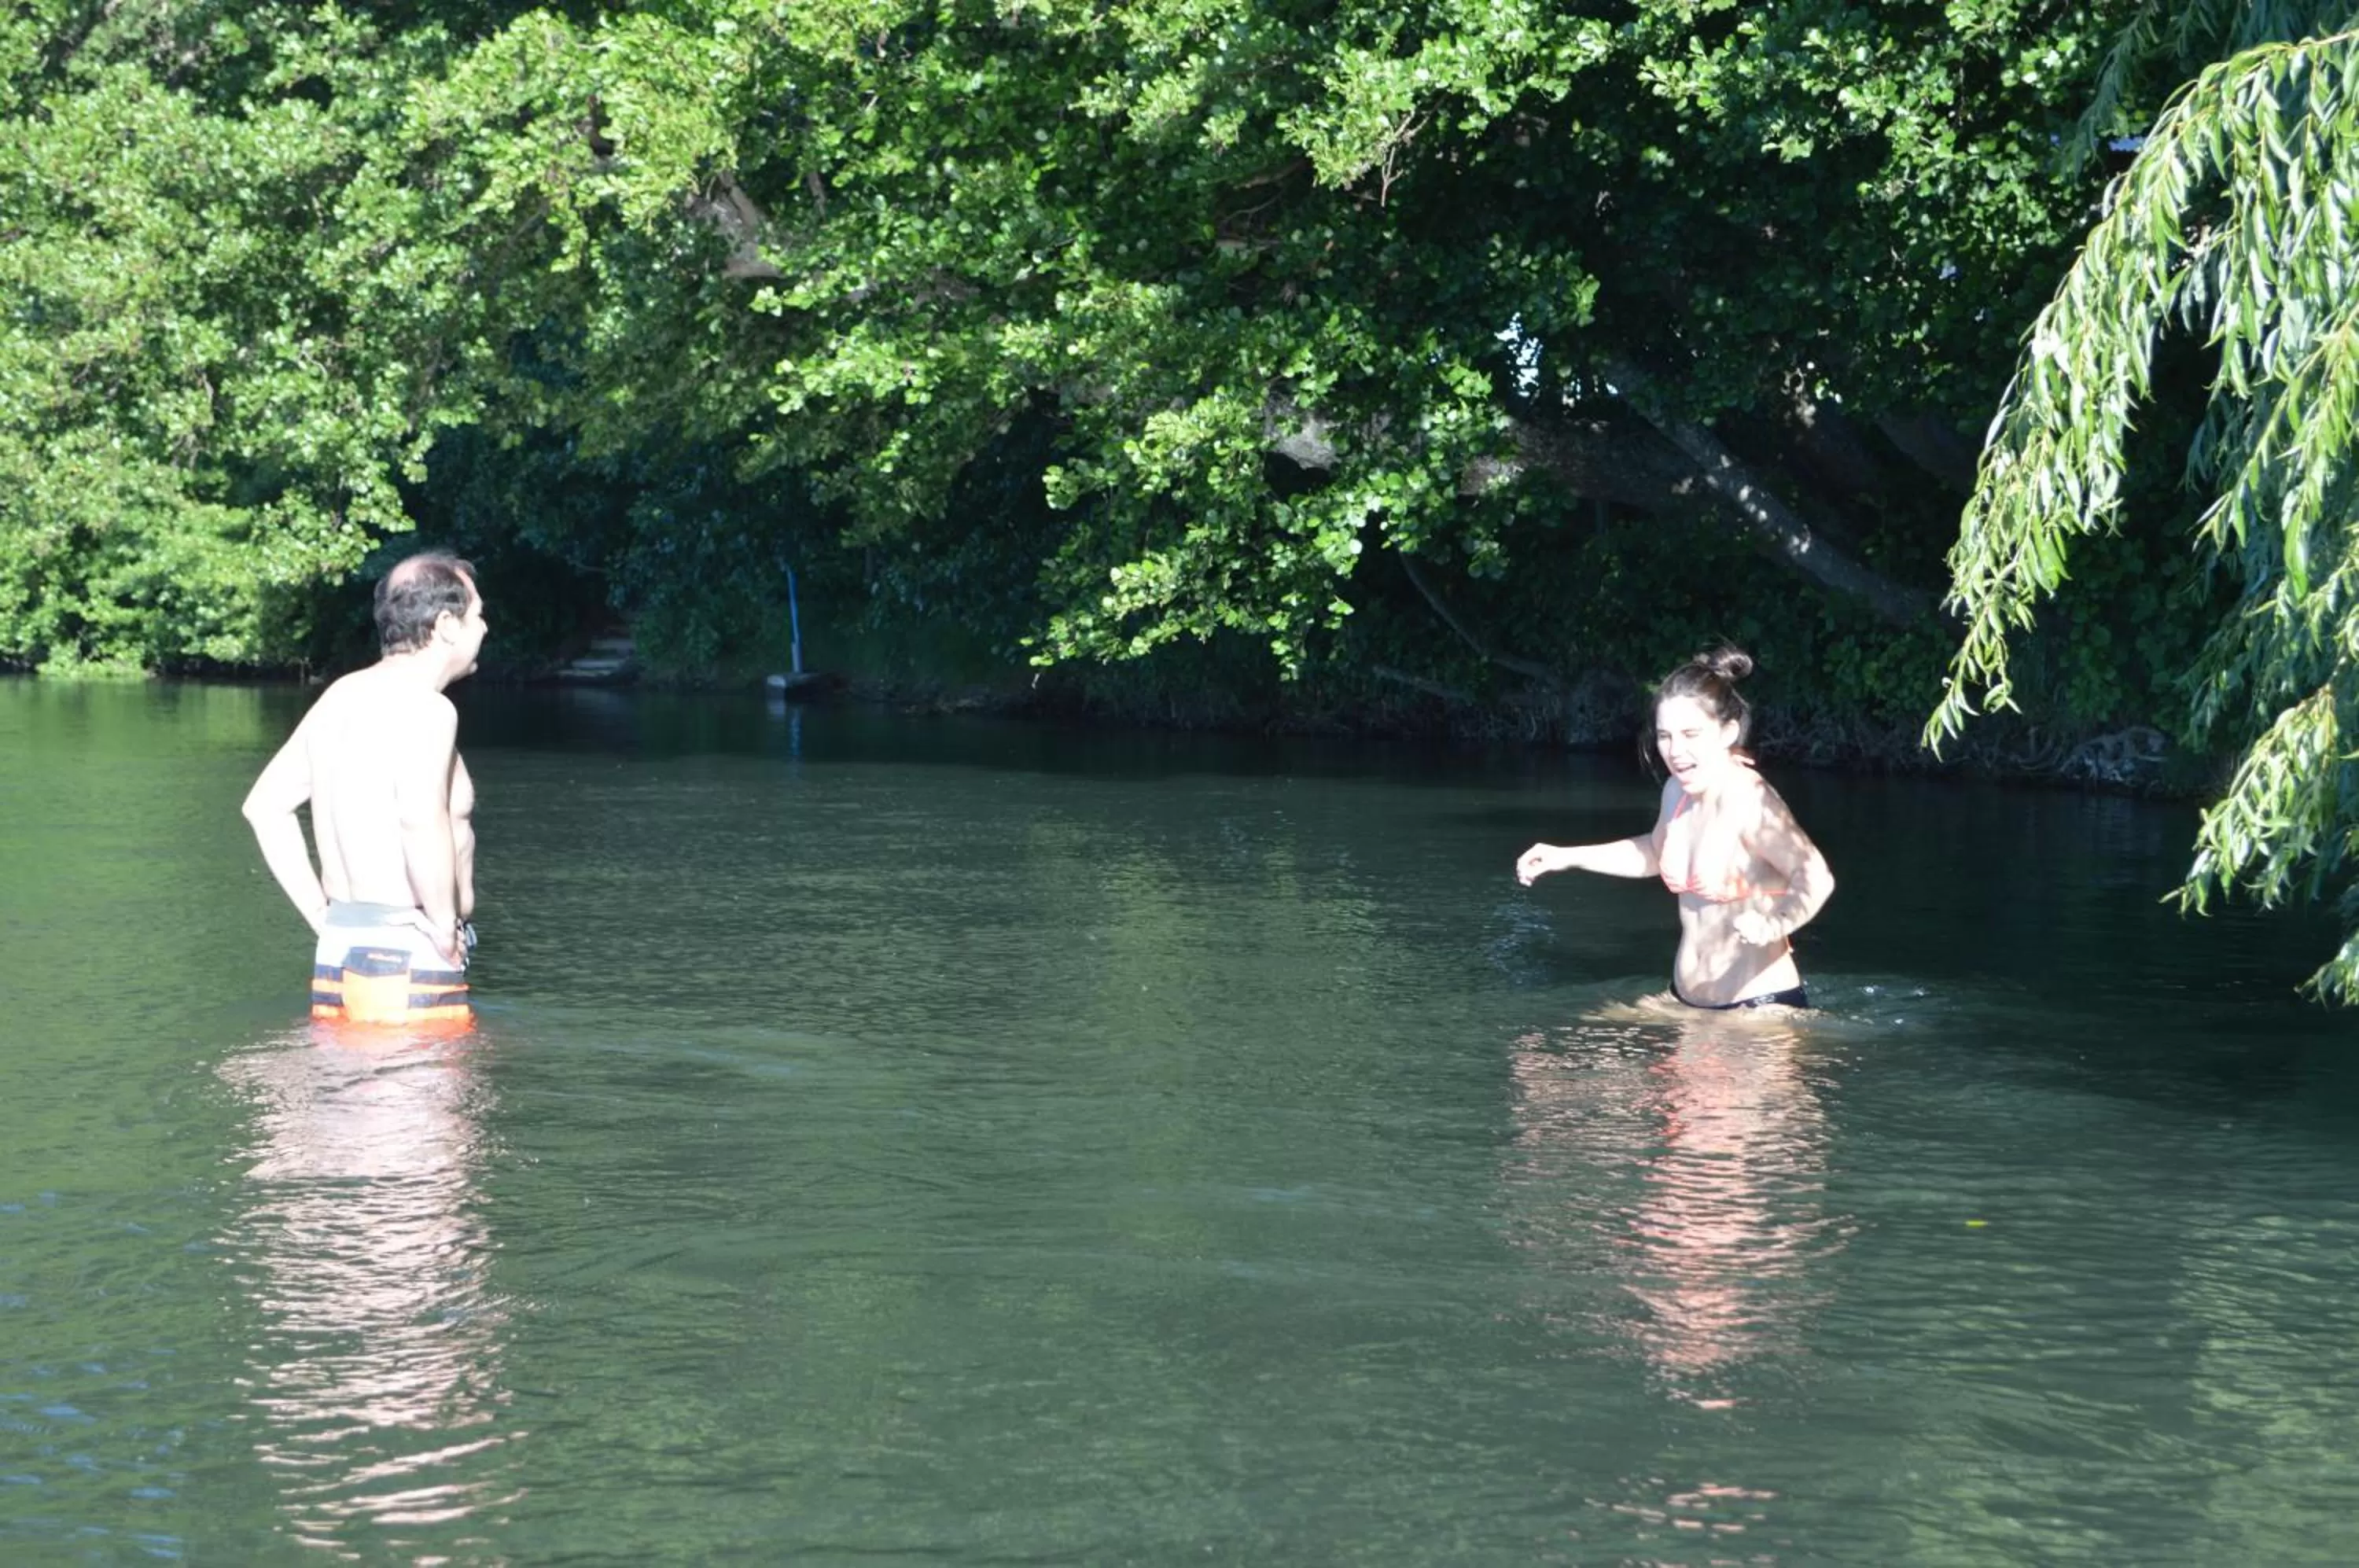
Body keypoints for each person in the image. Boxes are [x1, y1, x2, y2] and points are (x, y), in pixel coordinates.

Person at [242, 552, 487, 1025]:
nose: (484, 629)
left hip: (341, 944)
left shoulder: (341, 697)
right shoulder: (429, 709)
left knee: (348, 1094)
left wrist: (320, 915)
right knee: (426, 1093)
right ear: (446, 625)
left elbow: (265, 807)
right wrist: (441, 928)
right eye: (477, 615)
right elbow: (419, 818)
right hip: (409, 950)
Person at [1515, 647, 1833, 1009]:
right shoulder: (1676, 791)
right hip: (1684, 1002)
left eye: (1690, 734)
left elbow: (1816, 878)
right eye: (1665, 736)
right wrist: (1565, 856)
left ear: (1727, 732)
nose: (1675, 750)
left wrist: (1775, 925)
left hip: (1757, 1010)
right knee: (1553, 1053)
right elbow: (1653, 851)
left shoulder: (1750, 798)